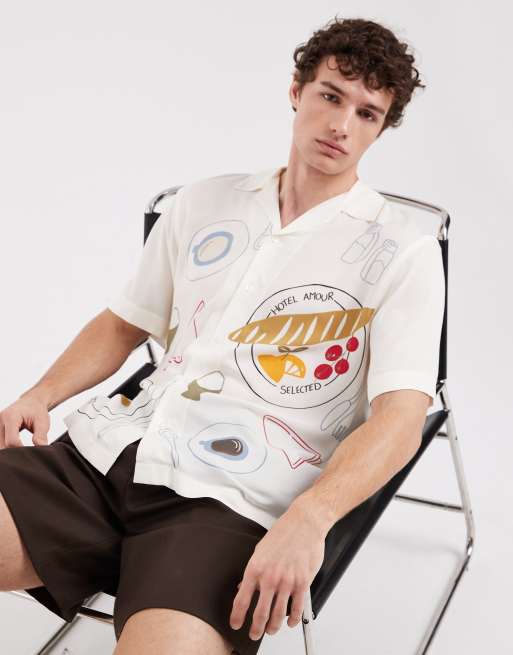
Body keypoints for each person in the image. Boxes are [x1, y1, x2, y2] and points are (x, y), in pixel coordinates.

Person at [0, 15, 445, 655]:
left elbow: (401, 418)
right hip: (105, 454)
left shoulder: (403, 249)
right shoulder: (204, 202)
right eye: (330, 96)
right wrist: (41, 394)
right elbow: (125, 322)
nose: (342, 125)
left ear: (381, 127)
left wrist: (312, 516)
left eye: (367, 113)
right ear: (296, 90)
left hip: (232, 502)